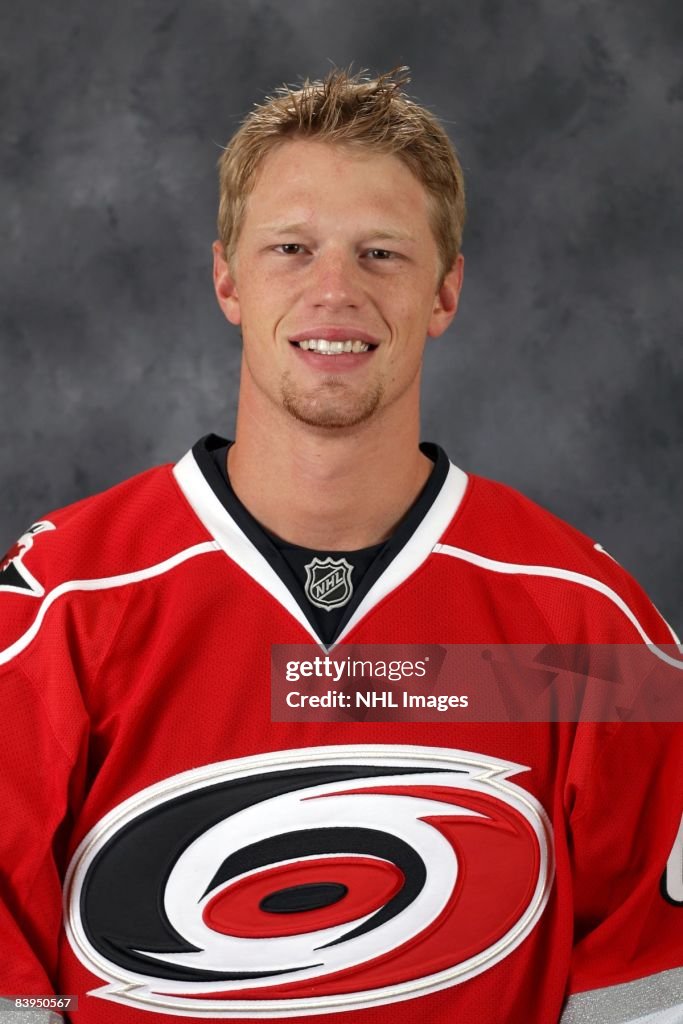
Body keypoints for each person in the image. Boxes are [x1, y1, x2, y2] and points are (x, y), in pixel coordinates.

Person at [0, 67, 681, 1024]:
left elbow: (651, 990)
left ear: (444, 292)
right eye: (291, 247)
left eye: (381, 254)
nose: (334, 291)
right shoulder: (60, 605)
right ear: (227, 279)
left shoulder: (586, 629)